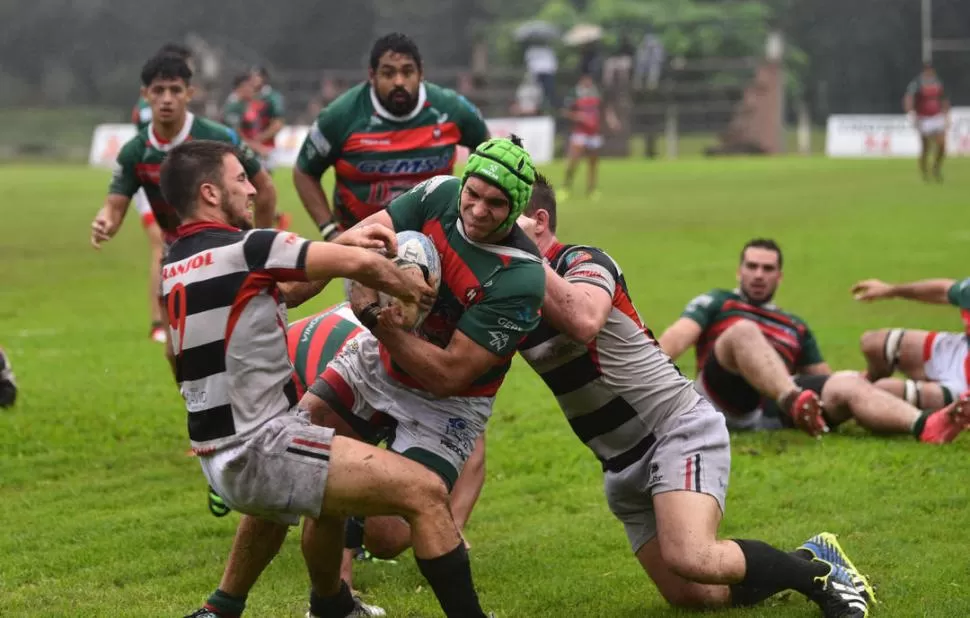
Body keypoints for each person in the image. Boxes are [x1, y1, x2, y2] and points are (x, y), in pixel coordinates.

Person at [205, 136, 546, 616]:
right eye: (474, 193)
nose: (478, 209)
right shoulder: (437, 194)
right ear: (464, 182)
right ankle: (237, 605)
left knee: (388, 536)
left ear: (514, 211)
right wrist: (290, 290)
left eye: (496, 203)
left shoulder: (521, 277)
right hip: (373, 364)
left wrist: (372, 318)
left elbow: (448, 374)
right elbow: (358, 241)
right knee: (287, 458)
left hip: (445, 405)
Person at [514, 178, 872, 616]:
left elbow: (584, 318)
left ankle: (818, 577)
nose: (483, 223)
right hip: (620, 464)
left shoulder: (584, 262)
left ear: (537, 222)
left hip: (675, 429)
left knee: (692, 556)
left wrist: (524, 254)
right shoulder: (510, 292)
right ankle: (804, 558)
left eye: (500, 214)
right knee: (697, 596)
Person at [656, 239, 969, 444]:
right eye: (751, 267)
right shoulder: (718, 302)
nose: (758, 275)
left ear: (779, 276)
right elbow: (678, 336)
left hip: (772, 413)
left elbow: (825, 378)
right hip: (720, 397)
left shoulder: (795, 326)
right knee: (743, 331)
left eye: (768, 269)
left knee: (846, 382)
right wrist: (648, 386)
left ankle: (926, 425)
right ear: (739, 272)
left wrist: (851, 389)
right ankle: (793, 399)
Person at [90, 53, 277, 373]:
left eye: (175, 90)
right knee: (176, 354)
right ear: (145, 94)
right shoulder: (135, 151)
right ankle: (203, 414)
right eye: (158, 90)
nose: (166, 99)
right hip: (176, 260)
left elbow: (265, 189)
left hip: (226, 254)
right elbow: (115, 206)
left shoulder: (218, 138)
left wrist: (259, 243)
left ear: (189, 94)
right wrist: (105, 221)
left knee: (236, 345)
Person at [293, 32, 490, 241]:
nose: (399, 81)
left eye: (407, 72)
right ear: (372, 75)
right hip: (364, 245)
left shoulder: (452, 109)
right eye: (388, 73)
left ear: (420, 72)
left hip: (436, 239)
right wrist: (330, 231)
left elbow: (487, 149)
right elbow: (304, 173)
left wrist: (472, 207)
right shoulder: (340, 116)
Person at [131, 44, 193, 342]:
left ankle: (181, 316)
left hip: (181, 187)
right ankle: (158, 321)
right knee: (160, 245)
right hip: (152, 185)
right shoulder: (149, 110)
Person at [853, 275, 970, 413]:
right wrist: (889, 290)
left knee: (883, 391)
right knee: (873, 343)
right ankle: (860, 385)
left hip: (965, 384)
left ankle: (851, 396)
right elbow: (944, 291)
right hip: (960, 353)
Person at [559, 73, 619, 201]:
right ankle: (566, 187)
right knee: (573, 161)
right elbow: (564, 111)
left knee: (593, 163)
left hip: (594, 133)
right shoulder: (574, 93)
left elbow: (605, 108)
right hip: (580, 132)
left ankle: (592, 189)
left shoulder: (596, 93)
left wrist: (611, 120)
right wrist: (578, 116)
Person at [903, 62, 950, 182]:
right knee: (926, 147)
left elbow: (944, 99)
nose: (930, 73)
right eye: (928, 71)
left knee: (942, 145)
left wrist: (946, 114)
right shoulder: (917, 83)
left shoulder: (937, 82)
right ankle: (924, 171)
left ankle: (936, 168)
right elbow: (908, 97)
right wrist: (911, 113)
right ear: (924, 71)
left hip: (937, 117)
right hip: (923, 118)